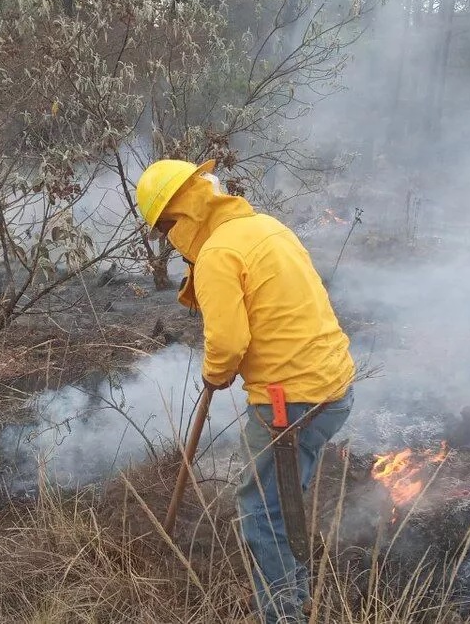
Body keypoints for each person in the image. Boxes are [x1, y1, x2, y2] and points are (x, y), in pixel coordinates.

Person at [135, 160, 355, 624]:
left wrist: (215, 374)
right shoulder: (267, 227)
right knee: (283, 496)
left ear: (183, 216)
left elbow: (229, 342)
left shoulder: (217, 252)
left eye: (166, 228)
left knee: (260, 509)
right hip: (333, 388)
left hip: (287, 401)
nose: (169, 241)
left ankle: (283, 614)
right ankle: (296, 598)